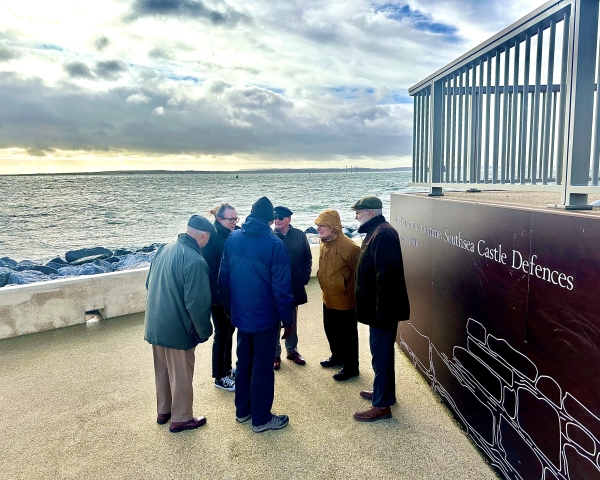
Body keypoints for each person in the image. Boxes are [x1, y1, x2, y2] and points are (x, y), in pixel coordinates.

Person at [218, 196, 294, 433]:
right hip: (265, 318)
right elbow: (282, 289)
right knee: (262, 367)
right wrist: (288, 321)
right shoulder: (275, 244)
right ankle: (261, 418)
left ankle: (243, 411)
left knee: (243, 363)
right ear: (270, 219)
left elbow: (223, 278)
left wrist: (229, 308)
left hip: (241, 315)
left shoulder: (233, 238)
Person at [144, 215, 216, 433]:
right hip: (178, 329)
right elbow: (198, 304)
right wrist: (204, 331)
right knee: (181, 374)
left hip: (155, 323)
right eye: (208, 237)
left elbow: (149, 284)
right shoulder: (195, 260)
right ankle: (182, 417)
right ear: (204, 235)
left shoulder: (164, 249)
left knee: (162, 370)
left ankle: (164, 410)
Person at [351, 196, 410, 422]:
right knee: (380, 355)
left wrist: (381, 312)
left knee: (381, 355)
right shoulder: (377, 231)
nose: (356, 216)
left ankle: (382, 405)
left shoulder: (382, 234)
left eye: (359, 212)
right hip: (379, 309)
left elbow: (387, 276)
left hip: (382, 311)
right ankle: (384, 394)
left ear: (371, 213)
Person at [314, 209, 360, 381]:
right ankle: (337, 357)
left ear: (333, 227)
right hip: (327, 297)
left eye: (322, 225)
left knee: (347, 335)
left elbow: (359, 274)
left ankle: (351, 368)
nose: (318, 228)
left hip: (344, 300)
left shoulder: (349, 247)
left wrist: (353, 296)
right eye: (317, 225)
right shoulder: (323, 242)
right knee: (330, 330)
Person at [202, 203, 240, 392]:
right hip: (218, 298)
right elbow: (209, 271)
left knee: (229, 333)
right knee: (222, 334)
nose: (234, 222)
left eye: (236, 219)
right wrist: (217, 299)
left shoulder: (234, 234)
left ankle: (227, 368)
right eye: (231, 219)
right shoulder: (212, 239)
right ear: (219, 219)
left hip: (232, 295)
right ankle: (219, 376)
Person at [272, 205, 312, 370]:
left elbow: (307, 258)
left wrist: (303, 277)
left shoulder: (299, 235)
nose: (277, 220)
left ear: (289, 219)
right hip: (274, 288)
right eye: (275, 217)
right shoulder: (269, 236)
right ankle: (275, 355)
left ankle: (292, 350)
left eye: (281, 217)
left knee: (292, 321)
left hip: (294, 286)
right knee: (274, 321)